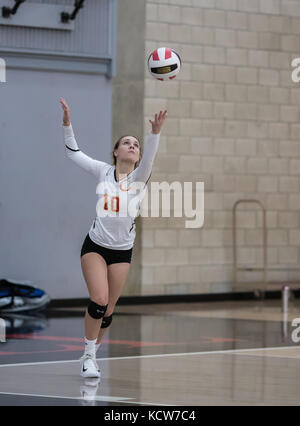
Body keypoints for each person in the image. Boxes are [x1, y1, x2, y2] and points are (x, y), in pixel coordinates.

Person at [60, 98, 167, 378]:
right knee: (98, 299)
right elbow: (73, 153)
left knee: (107, 311)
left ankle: (93, 355)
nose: (132, 146)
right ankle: (87, 357)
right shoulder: (103, 171)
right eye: (127, 143)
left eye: (136, 144)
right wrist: (67, 124)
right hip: (95, 246)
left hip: (122, 251)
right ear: (116, 151)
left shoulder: (140, 177)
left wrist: (155, 133)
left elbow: (150, 158)